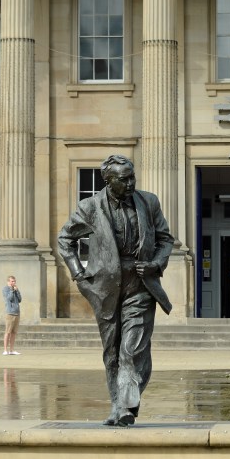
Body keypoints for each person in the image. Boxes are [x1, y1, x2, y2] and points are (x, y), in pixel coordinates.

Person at [58, 154, 174, 427]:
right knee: (111, 352)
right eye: (124, 179)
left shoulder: (149, 202)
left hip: (140, 284)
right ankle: (118, 405)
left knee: (131, 349)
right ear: (109, 181)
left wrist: (156, 264)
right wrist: (79, 274)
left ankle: (125, 404)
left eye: (132, 177)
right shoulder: (89, 207)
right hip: (104, 289)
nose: (131, 183)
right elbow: (65, 240)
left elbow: (165, 239)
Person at [2, 275, 22, 355]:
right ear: (8, 282)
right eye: (12, 281)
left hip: (17, 313)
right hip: (10, 313)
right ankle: (5, 350)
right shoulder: (5, 289)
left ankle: (12, 350)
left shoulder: (15, 289)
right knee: (8, 332)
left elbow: (20, 299)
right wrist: (12, 290)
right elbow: (9, 298)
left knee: (14, 332)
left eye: (14, 281)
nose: (14, 283)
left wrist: (17, 291)